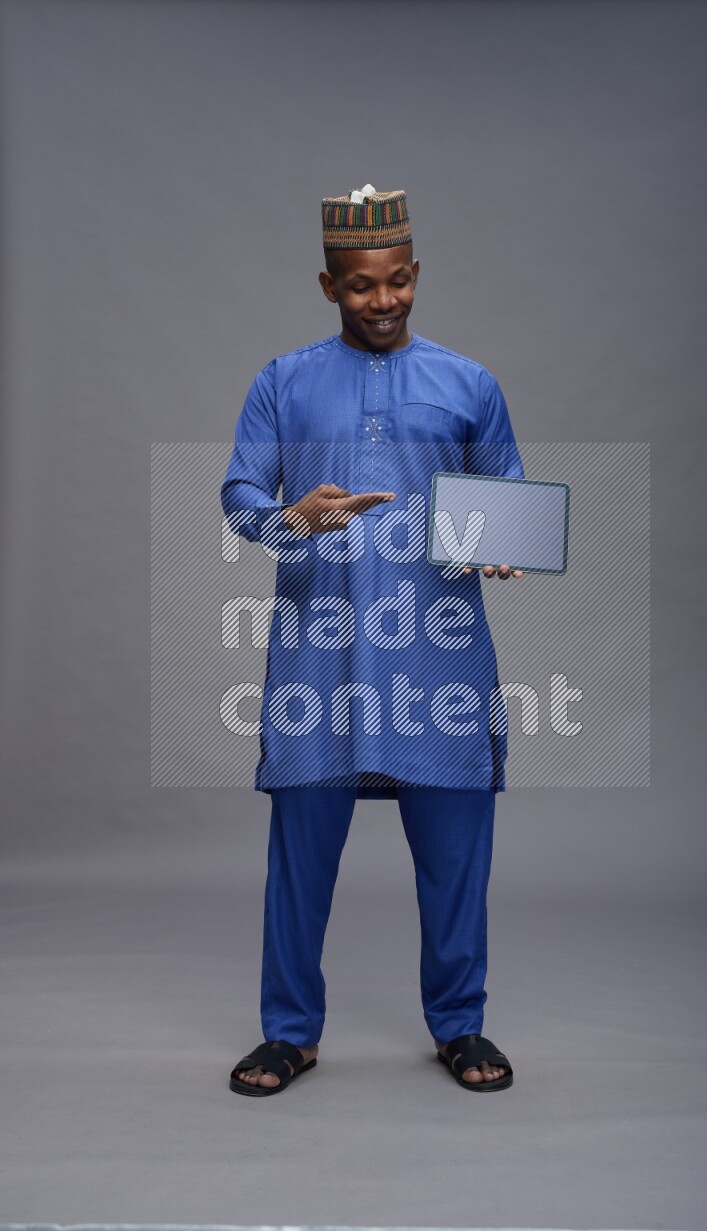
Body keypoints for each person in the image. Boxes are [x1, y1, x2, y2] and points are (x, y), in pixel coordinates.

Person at [221, 185, 524, 1095]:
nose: (381, 300)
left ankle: (460, 1026)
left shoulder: (469, 383)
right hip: (323, 654)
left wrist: (503, 544)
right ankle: (289, 1032)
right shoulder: (283, 380)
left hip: (438, 654)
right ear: (328, 284)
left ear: (416, 275)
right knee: (300, 857)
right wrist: (293, 519)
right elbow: (241, 501)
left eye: (396, 282)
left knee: (457, 854)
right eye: (359, 286)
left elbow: (505, 494)